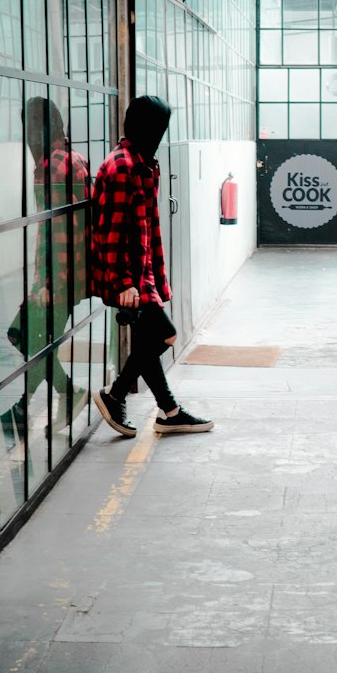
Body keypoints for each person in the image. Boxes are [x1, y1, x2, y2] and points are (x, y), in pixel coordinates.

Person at [90, 95, 213, 437]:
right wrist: (125, 283)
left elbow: (140, 226)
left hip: (141, 276)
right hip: (130, 279)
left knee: (150, 340)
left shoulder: (141, 161)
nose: (160, 134)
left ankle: (166, 411)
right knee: (165, 334)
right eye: (158, 127)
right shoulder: (122, 166)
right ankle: (118, 396)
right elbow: (111, 232)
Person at [0, 98, 91, 443]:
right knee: (38, 342)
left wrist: (46, 282)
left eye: (28, 127)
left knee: (25, 337)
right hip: (75, 273)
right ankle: (23, 408)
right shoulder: (74, 158)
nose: (26, 135)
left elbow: (55, 229)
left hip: (57, 277)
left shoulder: (50, 166)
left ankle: (69, 392)